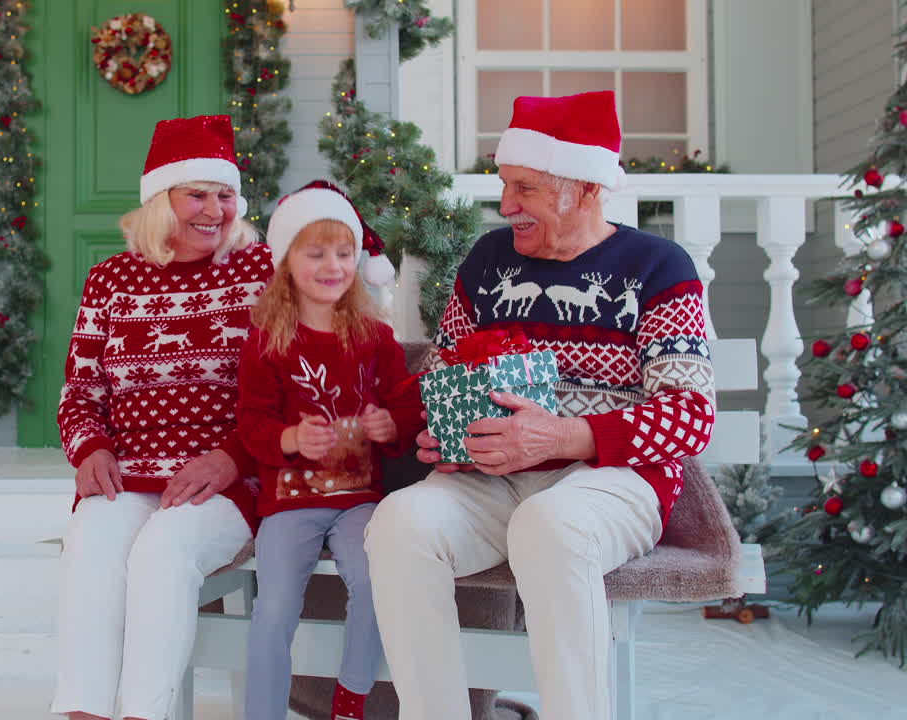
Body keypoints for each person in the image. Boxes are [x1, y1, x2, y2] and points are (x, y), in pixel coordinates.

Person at [363, 91, 717, 720]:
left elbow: (690, 415)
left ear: (581, 188)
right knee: (400, 525)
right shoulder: (489, 261)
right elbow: (443, 368)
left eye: (523, 188)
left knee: (552, 527)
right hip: (491, 478)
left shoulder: (658, 268)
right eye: (506, 185)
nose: (505, 206)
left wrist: (565, 437)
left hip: (613, 480)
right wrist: (432, 430)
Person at [51, 114, 274, 720]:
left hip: (229, 477)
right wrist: (90, 448)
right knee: (92, 541)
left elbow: (292, 390)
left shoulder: (262, 272)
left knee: (162, 553)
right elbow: (79, 390)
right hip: (129, 472)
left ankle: (142, 714)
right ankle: (83, 712)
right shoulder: (111, 280)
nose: (214, 209)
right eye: (195, 194)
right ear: (159, 201)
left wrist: (234, 457)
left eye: (225, 195)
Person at [235, 181, 422, 720]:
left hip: (360, 499)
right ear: (286, 262)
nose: (333, 266)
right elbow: (251, 423)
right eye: (315, 253)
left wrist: (390, 425)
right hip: (289, 502)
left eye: (344, 253)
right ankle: (262, 712)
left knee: (374, 580)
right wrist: (290, 439)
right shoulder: (268, 339)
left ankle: (350, 698)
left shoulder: (373, 336)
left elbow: (406, 405)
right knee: (272, 607)